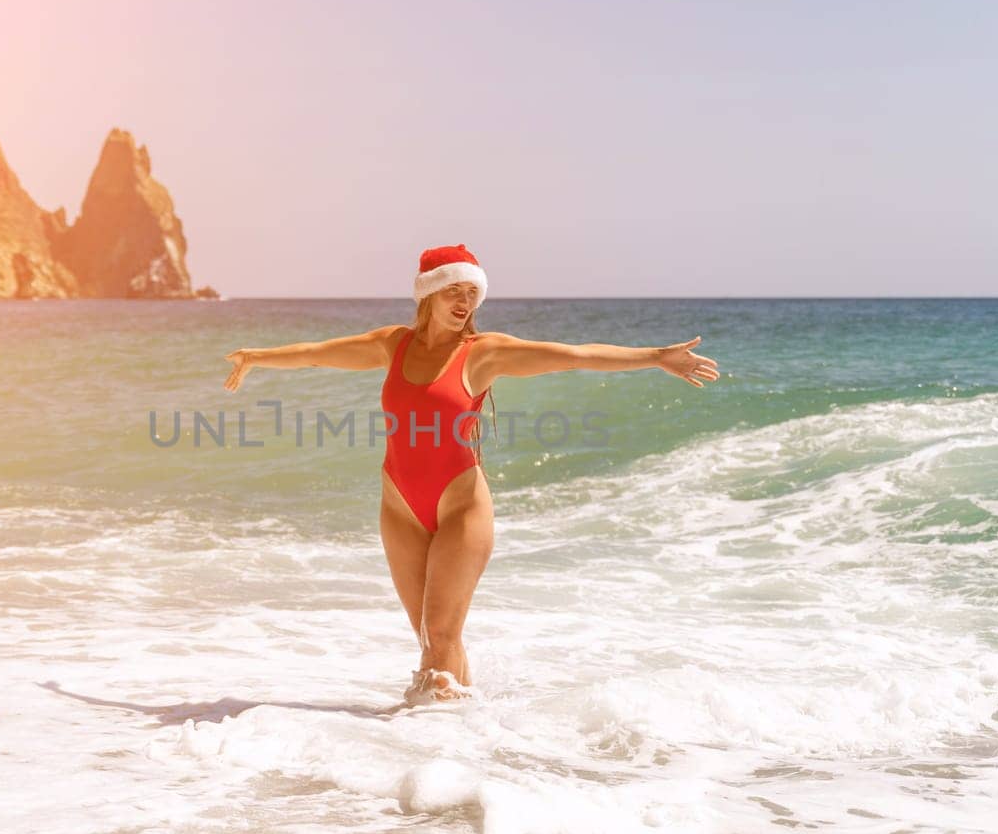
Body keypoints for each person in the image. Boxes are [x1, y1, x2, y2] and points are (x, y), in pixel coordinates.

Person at [223, 245, 719, 704]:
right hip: (399, 508)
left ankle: (440, 740)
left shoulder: (484, 352)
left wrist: (656, 358)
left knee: (441, 635)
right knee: (430, 638)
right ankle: (460, 735)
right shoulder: (392, 345)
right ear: (428, 294)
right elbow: (317, 352)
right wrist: (255, 358)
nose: (464, 302)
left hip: (460, 507)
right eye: (453, 291)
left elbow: (574, 355)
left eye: (471, 293)